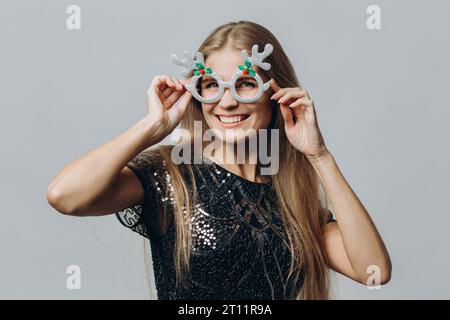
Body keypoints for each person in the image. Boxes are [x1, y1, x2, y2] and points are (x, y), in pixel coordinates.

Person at [47, 20, 391, 300]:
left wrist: (320, 156)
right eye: (211, 85)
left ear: (276, 94)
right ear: (197, 93)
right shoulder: (170, 175)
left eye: (244, 84)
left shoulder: (292, 198)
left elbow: (373, 271)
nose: (226, 103)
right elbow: (65, 196)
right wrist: (152, 126)